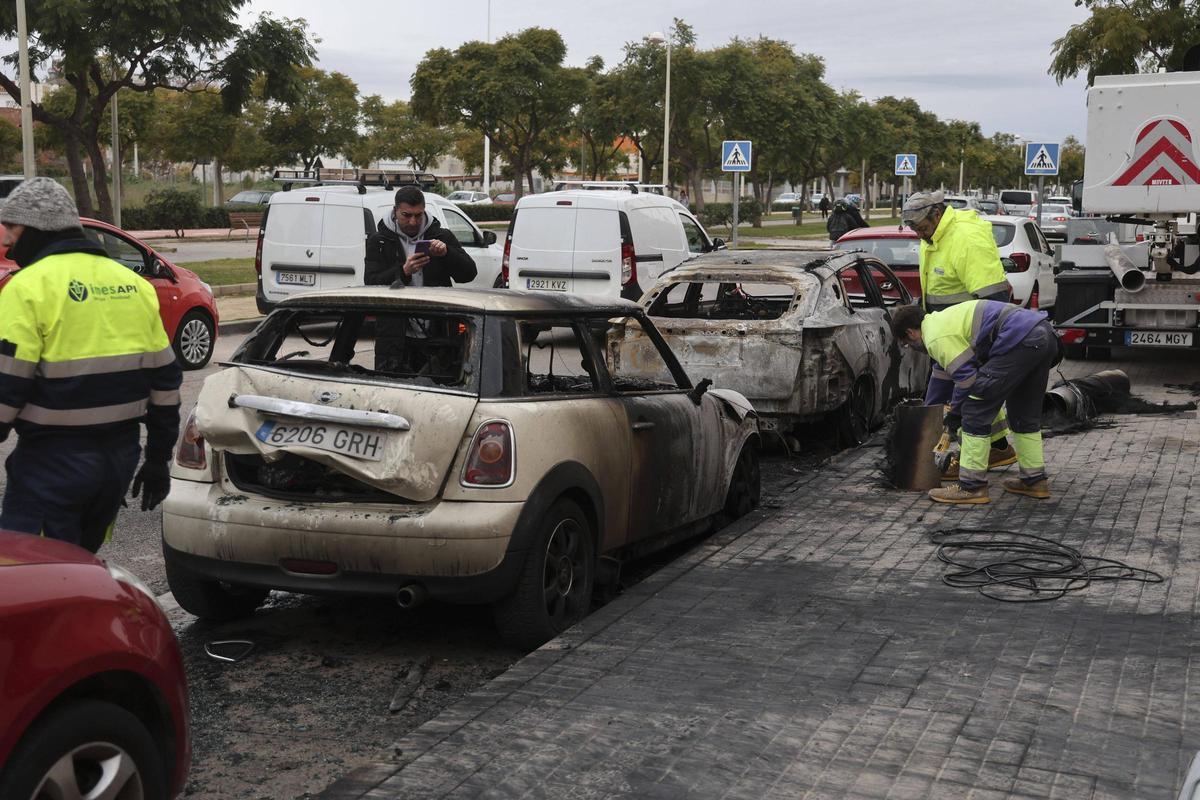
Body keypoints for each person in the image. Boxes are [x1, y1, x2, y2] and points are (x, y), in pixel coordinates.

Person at [0, 178, 182, 551]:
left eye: (12, 228)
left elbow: (7, 388)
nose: (7, 240)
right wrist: (158, 459)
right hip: (118, 462)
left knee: (31, 577)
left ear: (37, 226)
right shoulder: (134, 285)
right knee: (82, 570)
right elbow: (165, 383)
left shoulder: (28, 286)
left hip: (51, 465)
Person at [891, 300, 1060, 504]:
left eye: (908, 344)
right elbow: (940, 379)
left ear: (910, 333)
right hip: (1044, 335)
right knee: (1023, 414)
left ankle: (972, 487)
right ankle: (1034, 481)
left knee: (974, 411)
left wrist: (955, 415)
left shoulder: (936, 337)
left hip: (1018, 341)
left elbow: (967, 380)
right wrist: (928, 417)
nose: (911, 347)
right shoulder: (941, 323)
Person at [902, 189, 1016, 474]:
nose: (919, 234)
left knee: (967, 393)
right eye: (915, 230)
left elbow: (993, 296)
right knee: (948, 392)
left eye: (922, 228)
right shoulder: (934, 237)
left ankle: (972, 463)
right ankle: (997, 448)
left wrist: (989, 346)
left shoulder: (965, 238)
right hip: (947, 333)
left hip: (972, 334)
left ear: (937, 214)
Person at [364, 185, 477, 288]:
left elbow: (469, 275)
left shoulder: (442, 236)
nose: (413, 222)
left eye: (418, 215)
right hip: (397, 308)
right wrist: (404, 272)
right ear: (395, 211)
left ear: (424, 211)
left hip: (434, 308)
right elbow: (370, 282)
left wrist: (447, 254)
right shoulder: (379, 241)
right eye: (406, 215)